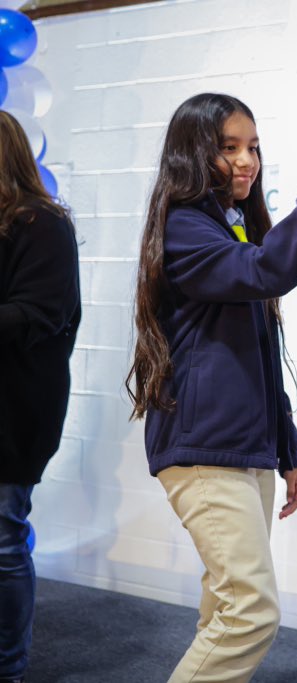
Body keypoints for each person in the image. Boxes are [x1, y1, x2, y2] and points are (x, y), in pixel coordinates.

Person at [125, 92, 297, 683]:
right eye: (228, 148)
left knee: (223, 609)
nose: (246, 160)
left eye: (251, 146)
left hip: (240, 448)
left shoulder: (227, 227)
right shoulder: (184, 230)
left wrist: (287, 448)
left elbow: (258, 356)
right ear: (193, 154)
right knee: (250, 614)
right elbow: (266, 270)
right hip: (205, 451)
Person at [0, 111, 81, 683]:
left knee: (2, 540)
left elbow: (36, 315)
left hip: (12, 412)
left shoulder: (43, 225)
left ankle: (8, 666)